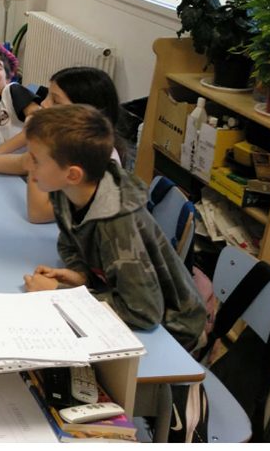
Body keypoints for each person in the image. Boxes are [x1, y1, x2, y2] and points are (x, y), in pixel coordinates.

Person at [22, 105, 206, 351]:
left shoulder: (117, 224)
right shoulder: (66, 191)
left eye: (35, 159)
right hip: (120, 295)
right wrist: (80, 274)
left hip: (173, 331)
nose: (28, 165)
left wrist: (61, 294)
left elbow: (143, 313)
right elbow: (69, 243)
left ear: (73, 174)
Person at [0, 66, 123, 224]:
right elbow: (21, 162)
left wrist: (37, 142)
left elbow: (38, 213)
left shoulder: (99, 162)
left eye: (55, 101)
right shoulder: (68, 142)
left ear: (85, 114)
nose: (44, 104)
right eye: (47, 96)